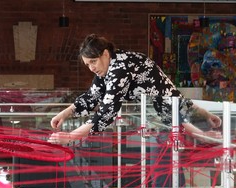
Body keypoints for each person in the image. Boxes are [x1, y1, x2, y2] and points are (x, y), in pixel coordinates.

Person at [48, 33, 221, 145]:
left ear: (106, 54)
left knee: (165, 176)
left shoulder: (120, 67)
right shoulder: (108, 68)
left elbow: (108, 112)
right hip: (158, 121)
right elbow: (92, 97)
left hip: (162, 125)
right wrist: (65, 113)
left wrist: (70, 137)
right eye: (87, 65)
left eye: (93, 62)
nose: (91, 68)